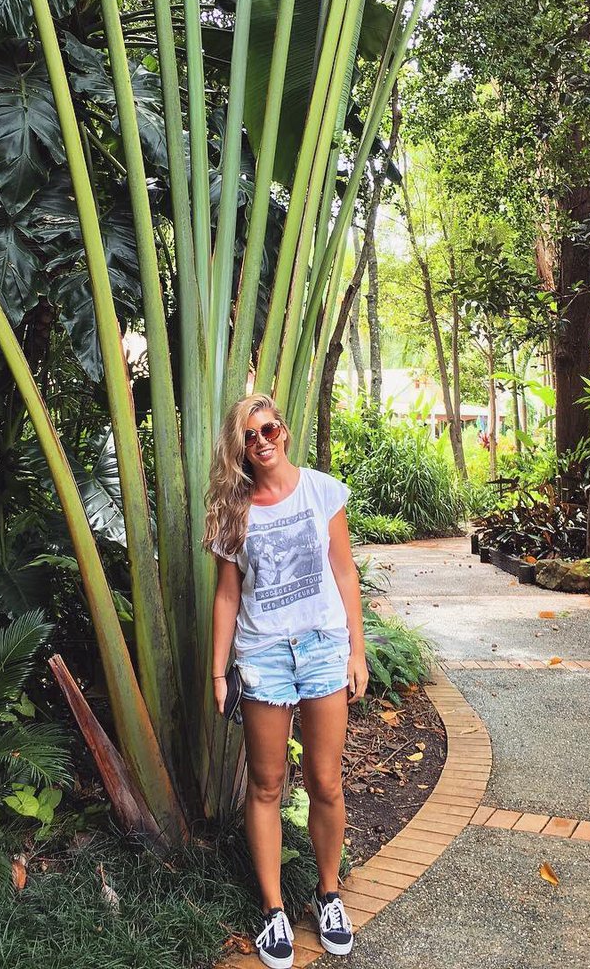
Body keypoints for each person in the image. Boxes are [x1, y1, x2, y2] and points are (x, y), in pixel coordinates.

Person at [204, 393, 368, 968]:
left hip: (324, 648)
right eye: (250, 436)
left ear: (285, 431)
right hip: (264, 655)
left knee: (325, 781)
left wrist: (358, 649)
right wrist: (219, 670)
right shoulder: (236, 510)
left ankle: (329, 894)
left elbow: (343, 571)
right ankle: (274, 910)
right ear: (241, 450)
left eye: (268, 428)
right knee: (267, 785)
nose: (262, 440)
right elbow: (227, 595)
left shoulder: (324, 491)